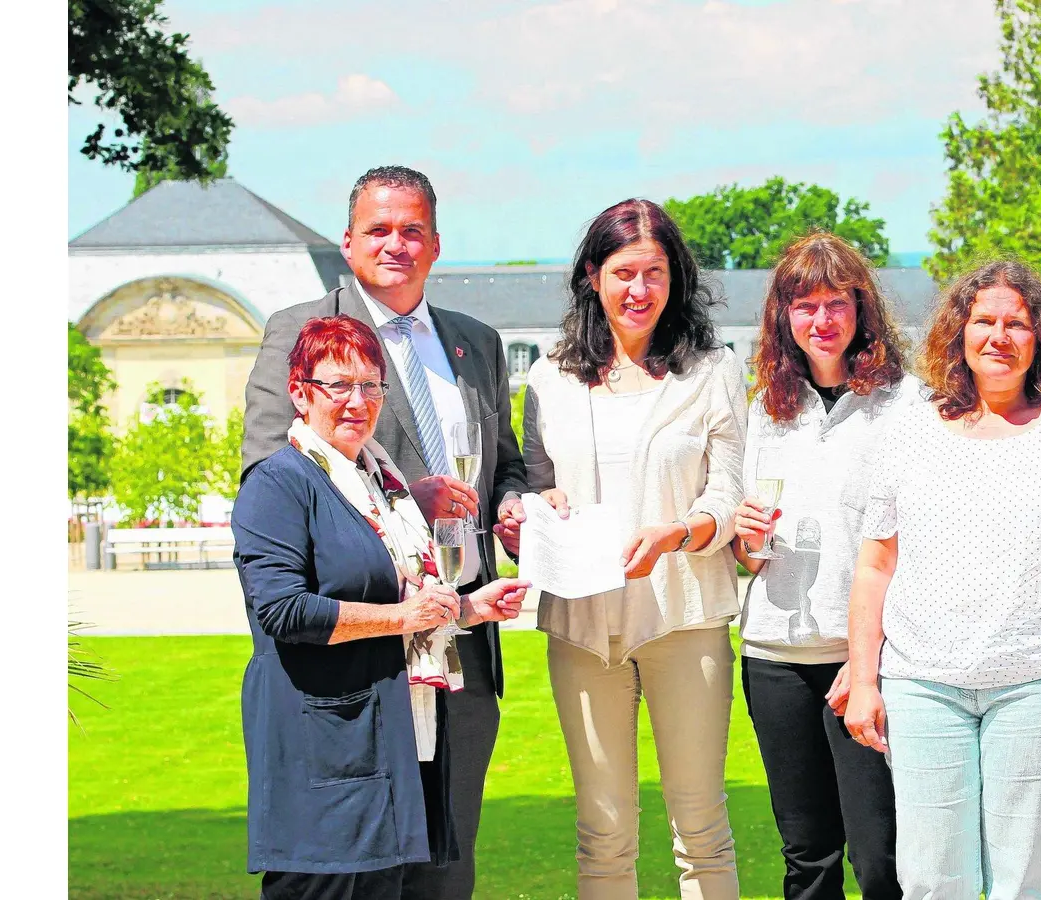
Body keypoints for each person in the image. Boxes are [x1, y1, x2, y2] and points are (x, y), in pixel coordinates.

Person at [240, 166, 528, 900]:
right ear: (348, 241)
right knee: (355, 871)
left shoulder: (478, 343)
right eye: (378, 229)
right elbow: (278, 484)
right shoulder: (301, 334)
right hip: (355, 656)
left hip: (459, 643)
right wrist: (395, 501)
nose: (395, 244)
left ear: (435, 243)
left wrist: (513, 506)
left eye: (412, 230)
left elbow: (508, 467)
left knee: (444, 866)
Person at [843, 259, 1041, 900]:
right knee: (928, 880)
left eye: (1017, 324)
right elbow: (875, 565)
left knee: (1022, 882)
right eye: (984, 321)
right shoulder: (911, 430)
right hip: (923, 689)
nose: (999, 336)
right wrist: (864, 679)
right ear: (958, 334)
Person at [496, 198, 747, 900]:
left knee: (700, 829)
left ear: (677, 280)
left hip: (684, 617)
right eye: (625, 272)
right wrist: (531, 512)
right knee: (602, 834)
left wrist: (678, 534)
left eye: (656, 273)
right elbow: (537, 487)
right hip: (580, 623)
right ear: (592, 276)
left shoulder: (712, 373)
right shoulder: (548, 377)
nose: (641, 290)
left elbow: (729, 495)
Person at [728, 232, 916, 900]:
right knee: (806, 856)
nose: (822, 320)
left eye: (837, 303)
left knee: (881, 858)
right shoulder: (762, 412)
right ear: (784, 317)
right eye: (804, 306)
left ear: (862, 310)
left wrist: (869, 658)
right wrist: (745, 541)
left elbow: (919, 543)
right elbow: (748, 551)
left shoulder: (908, 407)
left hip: (868, 661)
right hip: (774, 655)